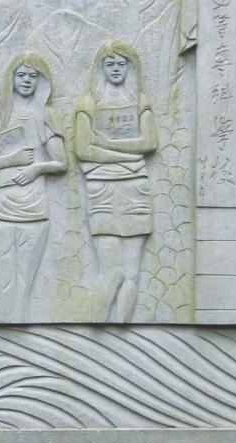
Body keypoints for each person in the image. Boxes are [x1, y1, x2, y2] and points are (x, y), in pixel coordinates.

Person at [0, 51, 67, 323]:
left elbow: (61, 161)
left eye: (33, 76)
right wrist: (11, 160)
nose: (26, 80)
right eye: (21, 75)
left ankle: (20, 341)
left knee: (25, 284)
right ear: (11, 78)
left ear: (41, 81)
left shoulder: (46, 114)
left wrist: (36, 168)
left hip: (34, 209)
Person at [73, 40, 158, 322]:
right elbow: (83, 149)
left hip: (135, 188)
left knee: (132, 273)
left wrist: (107, 144)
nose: (116, 69)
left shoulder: (140, 101)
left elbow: (149, 142)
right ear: (100, 68)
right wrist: (127, 155)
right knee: (112, 270)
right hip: (103, 189)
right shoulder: (88, 103)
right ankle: (96, 326)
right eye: (109, 64)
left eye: (122, 64)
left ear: (131, 68)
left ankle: (122, 328)